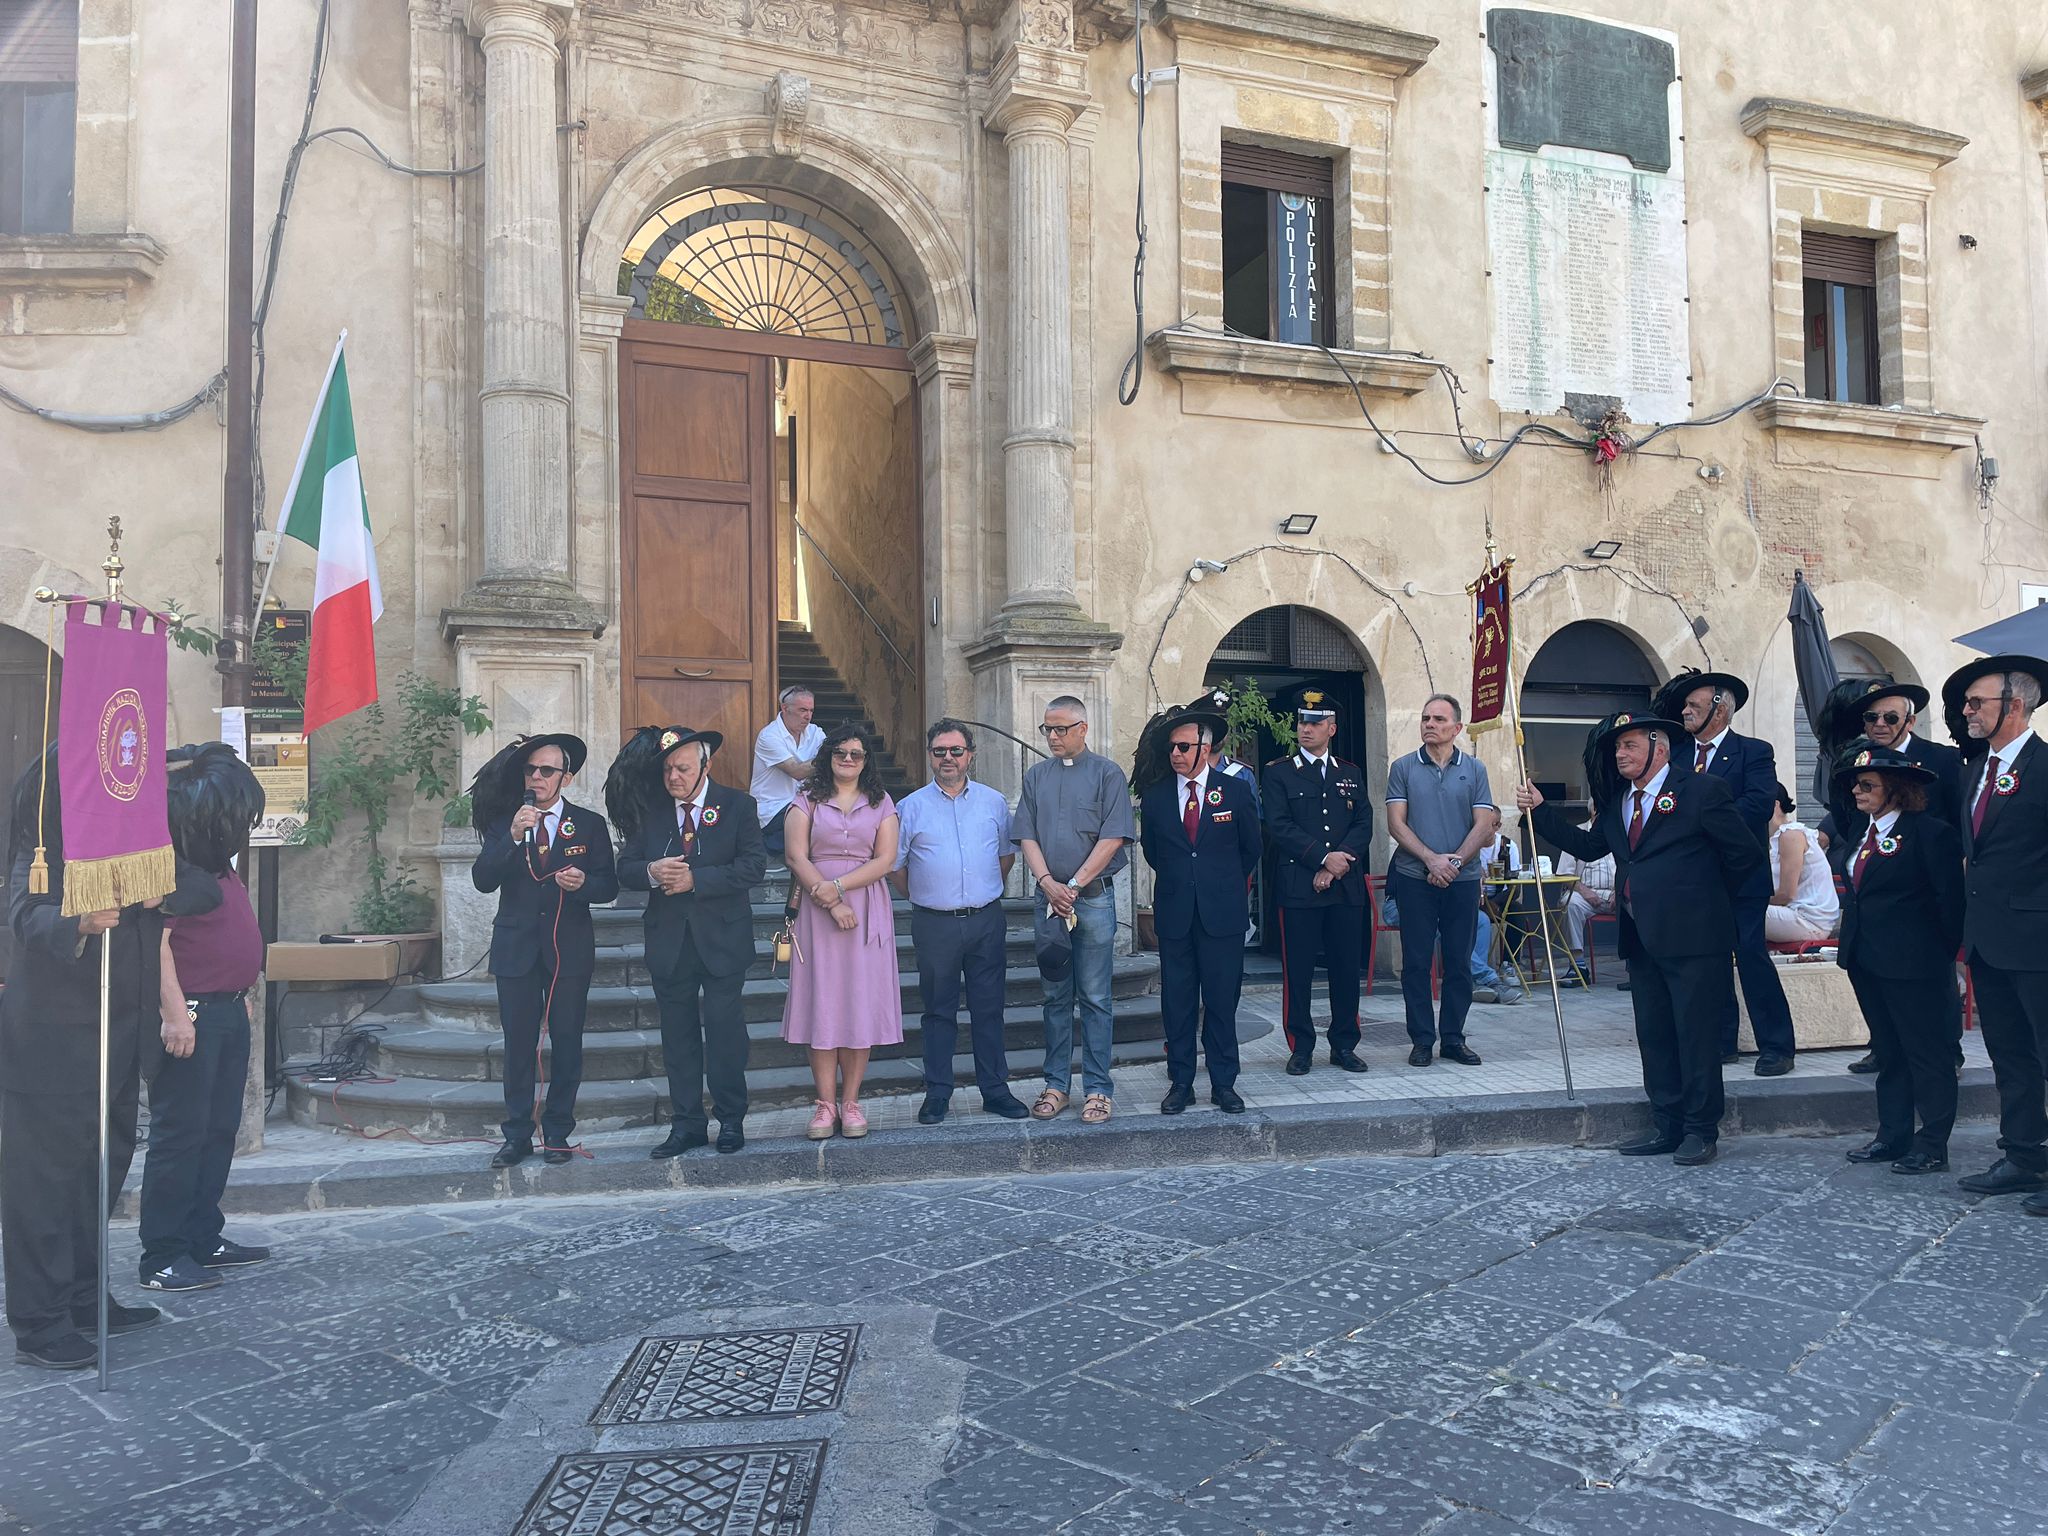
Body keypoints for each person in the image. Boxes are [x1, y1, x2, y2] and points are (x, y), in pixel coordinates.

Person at [2, 747, 182, 1368]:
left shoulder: (130, 847)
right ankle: (39, 1322)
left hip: (115, 1041)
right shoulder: (43, 844)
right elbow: (23, 915)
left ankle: (84, 1297)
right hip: (52, 1045)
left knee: (96, 1176)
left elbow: (199, 891)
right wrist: (76, 922)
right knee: (44, 1188)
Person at [1518, 712, 1763, 1166]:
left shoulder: (1700, 791)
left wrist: (1707, 904)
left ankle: (1700, 1129)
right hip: (1642, 938)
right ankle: (1666, 1123)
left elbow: (1744, 856)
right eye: (1617, 748)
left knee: (1696, 1036)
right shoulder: (1618, 802)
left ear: (1660, 746)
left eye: (1630, 745)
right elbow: (1591, 847)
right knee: (1655, 1037)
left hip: (1695, 938)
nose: (1621, 755)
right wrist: (1540, 811)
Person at [139, 743, 272, 1293]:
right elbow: (156, 946)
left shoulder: (210, 860)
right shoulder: (171, 866)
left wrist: (236, 991)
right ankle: (163, 1256)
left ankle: (202, 1236)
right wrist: (175, 1014)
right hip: (188, 1012)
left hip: (224, 1006)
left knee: (218, 1131)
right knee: (180, 1135)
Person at [612, 726, 766, 1157]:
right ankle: (687, 1125)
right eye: (666, 770)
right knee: (677, 1039)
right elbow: (625, 868)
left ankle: (731, 1120)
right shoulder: (651, 813)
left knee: (725, 1035)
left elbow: (753, 867)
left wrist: (697, 880)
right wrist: (651, 872)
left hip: (722, 940)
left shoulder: (738, 805)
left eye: (681, 768)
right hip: (669, 943)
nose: (673, 777)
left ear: (705, 765)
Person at [468, 733, 618, 1168]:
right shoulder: (505, 822)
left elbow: (608, 885)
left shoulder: (588, 824)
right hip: (516, 947)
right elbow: (482, 879)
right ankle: (516, 1135)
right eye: (531, 769)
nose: (536, 776)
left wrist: (583, 886)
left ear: (565, 778)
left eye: (547, 770)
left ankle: (557, 1132)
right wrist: (513, 837)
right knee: (518, 1044)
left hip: (568, 948)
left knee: (567, 1041)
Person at [1831, 743, 1966, 1175]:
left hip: (1916, 964)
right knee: (1888, 1051)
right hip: (1867, 961)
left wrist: (1944, 957)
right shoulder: (1860, 832)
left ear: (1897, 790)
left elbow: (1950, 902)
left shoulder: (1931, 833)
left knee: (1927, 1053)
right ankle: (1892, 1134)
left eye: (1868, 784)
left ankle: (1932, 1144)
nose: (1857, 790)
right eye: (1856, 783)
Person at [1944, 654, 2048, 1207]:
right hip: (1988, 939)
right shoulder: (1974, 770)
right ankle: (2025, 1155)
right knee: (2009, 1055)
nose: (1966, 711)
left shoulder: (2045, 767)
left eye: (1976, 702)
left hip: (2038, 942)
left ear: (2015, 705)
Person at [1656, 668, 1796, 1076]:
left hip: (1740, 876)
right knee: (1710, 961)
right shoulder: (1678, 755)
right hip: (1695, 881)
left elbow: (1756, 805)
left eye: (1693, 705)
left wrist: (1700, 820)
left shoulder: (1754, 752)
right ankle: (1721, 1041)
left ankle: (1777, 1046)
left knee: (1751, 957)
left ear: (1719, 710)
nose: (1684, 711)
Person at [890, 720, 1028, 1125]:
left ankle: (995, 1090)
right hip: (935, 924)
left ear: (970, 754)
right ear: (930, 755)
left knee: (989, 1008)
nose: (947, 758)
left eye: (955, 750)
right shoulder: (910, 806)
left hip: (986, 919)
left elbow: (1006, 857)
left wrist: (981, 893)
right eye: (939, 751)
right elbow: (896, 867)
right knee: (938, 1011)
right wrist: (924, 896)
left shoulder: (993, 802)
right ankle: (938, 1092)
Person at [1015, 695, 1133, 1125]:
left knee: (1097, 997)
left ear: (1083, 728)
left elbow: (1113, 837)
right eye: (1047, 728)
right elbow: (1026, 834)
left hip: (1093, 898)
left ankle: (1098, 1089)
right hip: (1049, 900)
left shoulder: (1108, 774)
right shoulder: (1036, 776)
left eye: (1061, 728)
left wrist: (1074, 885)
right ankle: (1056, 1084)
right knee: (1054, 996)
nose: (1052, 736)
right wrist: (1048, 884)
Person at [1139, 706, 1262, 1114]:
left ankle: (1224, 1082)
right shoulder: (1156, 797)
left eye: (1183, 746)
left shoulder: (1236, 790)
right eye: (1172, 747)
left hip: (1222, 914)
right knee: (1178, 1002)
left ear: (1204, 748)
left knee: (1222, 1000)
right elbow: (1154, 852)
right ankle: (1181, 1082)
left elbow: (1250, 849)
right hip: (1176, 914)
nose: (1175, 753)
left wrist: (1218, 883)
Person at [783, 724, 901, 1139]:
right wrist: (832, 902)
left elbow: (885, 859)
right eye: (840, 753)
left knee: (858, 1004)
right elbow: (796, 855)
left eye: (856, 754)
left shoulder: (881, 802)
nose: (848, 760)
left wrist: (840, 889)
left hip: (866, 907)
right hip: (819, 914)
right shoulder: (806, 801)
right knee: (824, 1003)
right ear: (828, 757)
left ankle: (850, 1102)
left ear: (866, 761)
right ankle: (823, 1104)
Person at [1262, 692, 1373, 1075]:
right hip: (1299, 885)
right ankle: (1301, 1046)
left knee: (1345, 968)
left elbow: (1363, 824)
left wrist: (1337, 863)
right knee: (1299, 971)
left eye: (1314, 722)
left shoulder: (1350, 772)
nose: (1305, 729)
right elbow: (1278, 826)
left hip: (1344, 887)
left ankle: (1345, 1043)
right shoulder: (1278, 771)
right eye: (1301, 722)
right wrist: (1322, 859)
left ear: (1332, 728)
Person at [1385, 694, 1496, 1067]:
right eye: (1425, 718)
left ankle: (1453, 1038)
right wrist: (1432, 860)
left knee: (1459, 962)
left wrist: (1454, 861)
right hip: (1414, 877)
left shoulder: (1475, 770)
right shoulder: (1403, 767)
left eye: (1438, 719)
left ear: (1457, 728)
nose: (1429, 724)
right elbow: (1396, 823)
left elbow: (1483, 823)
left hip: (1461, 879)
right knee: (1416, 962)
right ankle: (1421, 1039)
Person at [1824, 676, 1964, 841]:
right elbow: (1844, 819)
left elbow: (1960, 818)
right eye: (1872, 717)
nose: (1880, 724)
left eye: (1891, 718)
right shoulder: (1852, 761)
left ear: (1910, 722)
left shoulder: (1943, 758)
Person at [750, 686, 824, 863]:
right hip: (772, 808)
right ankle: (772, 850)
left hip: (803, 803)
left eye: (811, 710)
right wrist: (828, 757)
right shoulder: (769, 736)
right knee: (814, 817)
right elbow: (797, 772)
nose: (808, 716)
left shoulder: (815, 732)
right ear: (785, 708)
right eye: (802, 710)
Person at [1764, 784, 1839, 944]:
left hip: (1808, 920)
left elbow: (1786, 894)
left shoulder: (1790, 835)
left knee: (1735, 911)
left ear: (1775, 804)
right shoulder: (1774, 838)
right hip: (1792, 914)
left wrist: (1751, 898)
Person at [1469, 812, 1525, 1006]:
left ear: (1498, 825)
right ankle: (1482, 975)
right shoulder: (1470, 844)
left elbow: (1514, 886)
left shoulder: (1507, 846)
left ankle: (1509, 964)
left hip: (1500, 898)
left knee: (1518, 915)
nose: (1486, 829)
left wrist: (1496, 902)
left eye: (1491, 824)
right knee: (1478, 920)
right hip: (1475, 899)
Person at [1558, 833, 1616, 988]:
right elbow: (1564, 873)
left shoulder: (1620, 830)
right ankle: (1578, 967)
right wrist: (1584, 891)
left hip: (1616, 894)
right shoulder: (1576, 834)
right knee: (1570, 903)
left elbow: (1632, 865)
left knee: (1638, 901)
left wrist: (1621, 889)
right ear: (1594, 812)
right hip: (1586, 894)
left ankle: (1637, 966)